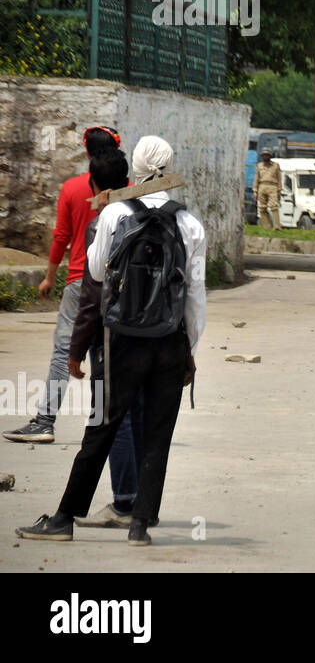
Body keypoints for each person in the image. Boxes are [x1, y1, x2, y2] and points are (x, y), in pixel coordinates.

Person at [16, 136, 206, 546]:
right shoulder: (189, 224)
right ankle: (139, 526)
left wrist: (80, 344)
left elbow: (96, 280)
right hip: (169, 343)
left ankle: (64, 519)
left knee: (100, 429)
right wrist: (188, 352)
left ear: (134, 168)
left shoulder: (115, 214)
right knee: (158, 435)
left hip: (120, 342)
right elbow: (195, 296)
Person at [4, 125, 121, 445]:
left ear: (87, 152)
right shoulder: (127, 190)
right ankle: (102, 422)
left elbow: (61, 237)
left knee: (63, 352)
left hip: (79, 284)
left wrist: (50, 276)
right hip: (115, 286)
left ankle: (45, 420)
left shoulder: (71, 189)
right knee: (104, 356)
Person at [65, 149, 149, 530]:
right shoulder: (147, 214)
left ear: (93, 183)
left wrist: (76, 348)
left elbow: (91, 293)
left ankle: (123, 501)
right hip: (147, 331)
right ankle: (134, 499)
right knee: (137, 415)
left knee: (107, 419)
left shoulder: (105, 221)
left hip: (110, 335)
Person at [253, 149, 281, 229]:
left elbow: (279, 178)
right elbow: (256, 178)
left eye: (267, 155)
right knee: (262, 207)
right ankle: (266, 226)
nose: (266, 156)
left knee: (274, 206)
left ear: (270, 156)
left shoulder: (275, 165)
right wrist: (255, 191)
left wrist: (279, 190)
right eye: (264, 155)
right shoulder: (259, 166)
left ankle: (277, 226)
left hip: (273, 186)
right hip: (262, 186)